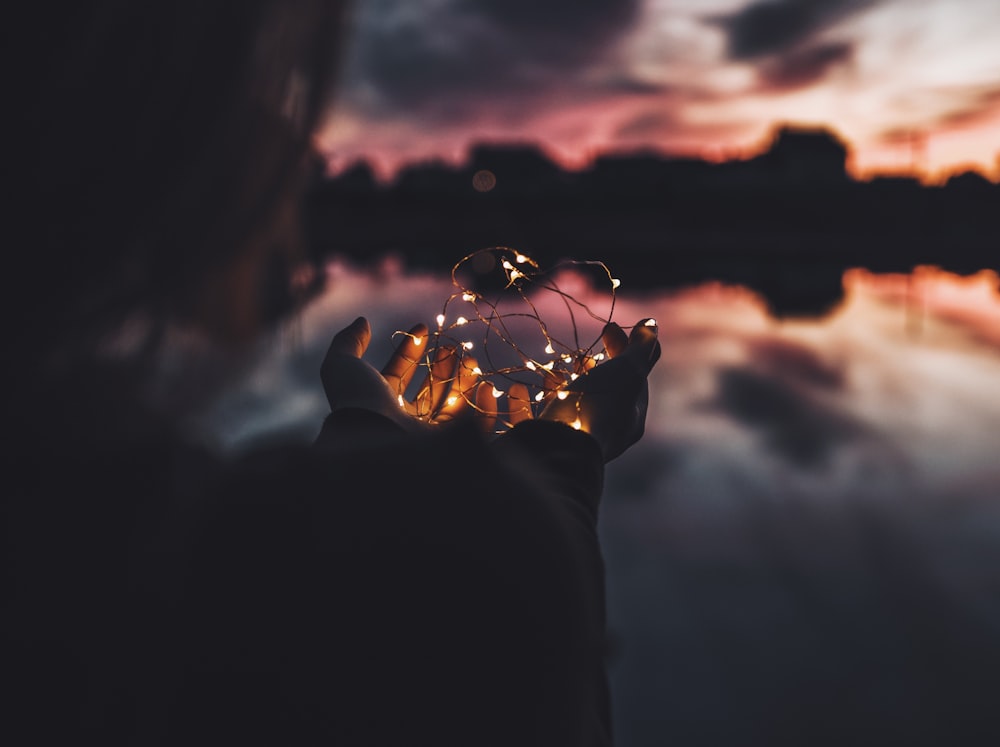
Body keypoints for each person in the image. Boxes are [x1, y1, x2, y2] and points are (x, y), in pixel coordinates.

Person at [5, 2, 660, 745]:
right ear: (160, 119)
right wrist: (557, 473)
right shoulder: (459, 554)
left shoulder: (68, 537)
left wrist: (363, 438)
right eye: (269, 87)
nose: (299, 150)